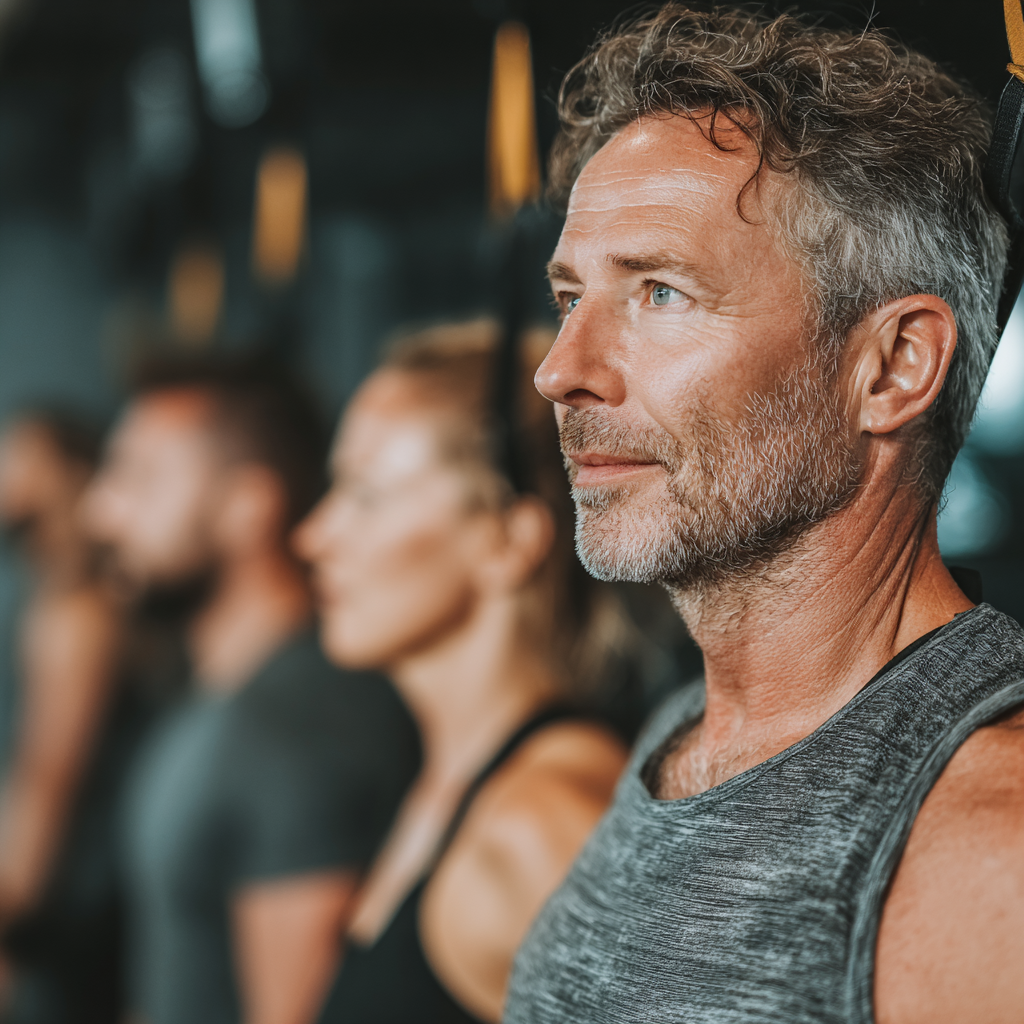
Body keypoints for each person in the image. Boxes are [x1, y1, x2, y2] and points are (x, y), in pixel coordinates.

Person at [502, 7, 1024, 1024]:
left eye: (659, 293)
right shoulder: (680, 736)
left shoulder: (983, 840)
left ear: (891, 367)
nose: (559, 370)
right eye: (570, 298)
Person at [294, 323, 628, 1024]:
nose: (314, 535)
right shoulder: (443, 784)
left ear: (508, 538)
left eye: (364, 493)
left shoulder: (542, 825)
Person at [80, 357, 420, 1024]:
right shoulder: (219, 699)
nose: (99, 511)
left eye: (138, 477)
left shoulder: (301, 729)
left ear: (248, 506)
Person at [0, 410, 139, 1024]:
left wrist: (9, 914)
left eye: (19, 457)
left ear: (71, 474)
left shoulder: (77, 615)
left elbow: (47, 777)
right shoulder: (48, 595)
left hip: (60, 923)